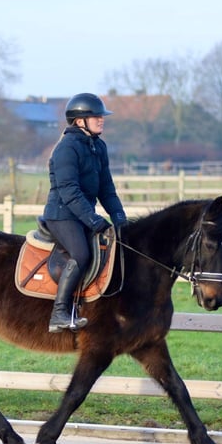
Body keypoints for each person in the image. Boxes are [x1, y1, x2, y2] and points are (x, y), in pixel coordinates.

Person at [41, 93, 127, 333]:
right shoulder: (66, 149)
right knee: (81, 253)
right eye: (96, 117)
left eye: (101, 116)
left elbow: (106, 189)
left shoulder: (98, 146)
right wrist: (94, 220)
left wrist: (120, 218)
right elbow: (69, 191)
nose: (101, 120)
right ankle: (59, 313)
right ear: (80, 121)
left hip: (82, 212)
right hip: (62, 214)